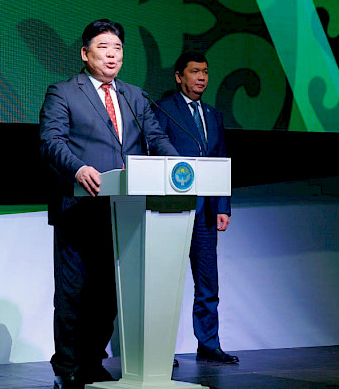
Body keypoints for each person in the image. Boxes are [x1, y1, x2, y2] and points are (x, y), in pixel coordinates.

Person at [39, 19, 178, 388]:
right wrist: (77, 168)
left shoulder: (134, 96)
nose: (112, 55)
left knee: (109, 293)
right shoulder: (63, 92)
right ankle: (68, 366)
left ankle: (92, 360)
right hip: (79, 207)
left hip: (123, 209)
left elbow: (156, 138)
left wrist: (178, 165)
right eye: (103, 47)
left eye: (117, 48)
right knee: (74, 292)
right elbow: (51, 141)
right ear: (85, 54)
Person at [153, 51, 238, 364]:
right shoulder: (164, 109)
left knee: (207, 282)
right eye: (194, 71)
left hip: (206, 212)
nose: (201, 77)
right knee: (167, 282)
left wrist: (223, 205)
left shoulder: (213, 115)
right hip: (172, 210)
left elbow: (220, 159)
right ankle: (160, 349)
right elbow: (154, 153)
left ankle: (208, 344)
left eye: (205, 72)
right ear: (179, 77)